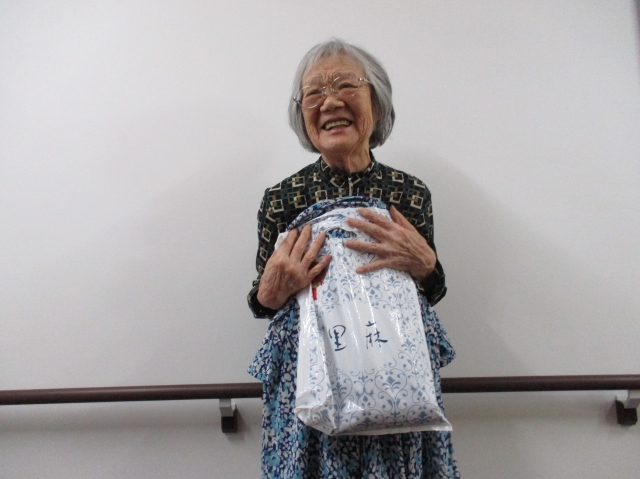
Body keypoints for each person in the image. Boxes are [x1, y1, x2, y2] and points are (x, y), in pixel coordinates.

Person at [248, 39, 460, 479]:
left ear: (376, 105)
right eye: (313, 93)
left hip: (395, 377)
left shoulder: (410, 194)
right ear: (303, 116)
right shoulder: (281, 200)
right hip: (310, 379)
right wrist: (269, 292)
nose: (329, 102)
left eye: (345, 85)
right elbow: (261, 303)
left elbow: (430, 293)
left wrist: (427, 266)